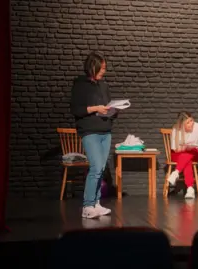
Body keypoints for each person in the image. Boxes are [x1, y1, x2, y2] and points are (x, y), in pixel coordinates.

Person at [70, 51, 116, 219]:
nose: (104, 71)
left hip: (105, 130)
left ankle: (96, 203)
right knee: (96, 167)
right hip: (89, 131)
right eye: (101, 68)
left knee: (101, 169)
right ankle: (87, 205)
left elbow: (108, 105)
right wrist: (96, 108)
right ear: (93, 67)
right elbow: (76, 109)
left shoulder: (103, 85)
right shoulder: (80, 85)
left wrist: (113, 110)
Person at [167, 111, 198, 199]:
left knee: (188, 154)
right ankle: (190, 188)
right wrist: (184, 148)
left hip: (193, 153)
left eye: (191, 120)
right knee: (187, 160)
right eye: (188, 122)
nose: (191, 123)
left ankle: (176, 173)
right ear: (182, 125)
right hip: (178, 154)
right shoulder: (176, 129)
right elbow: (175, 149)